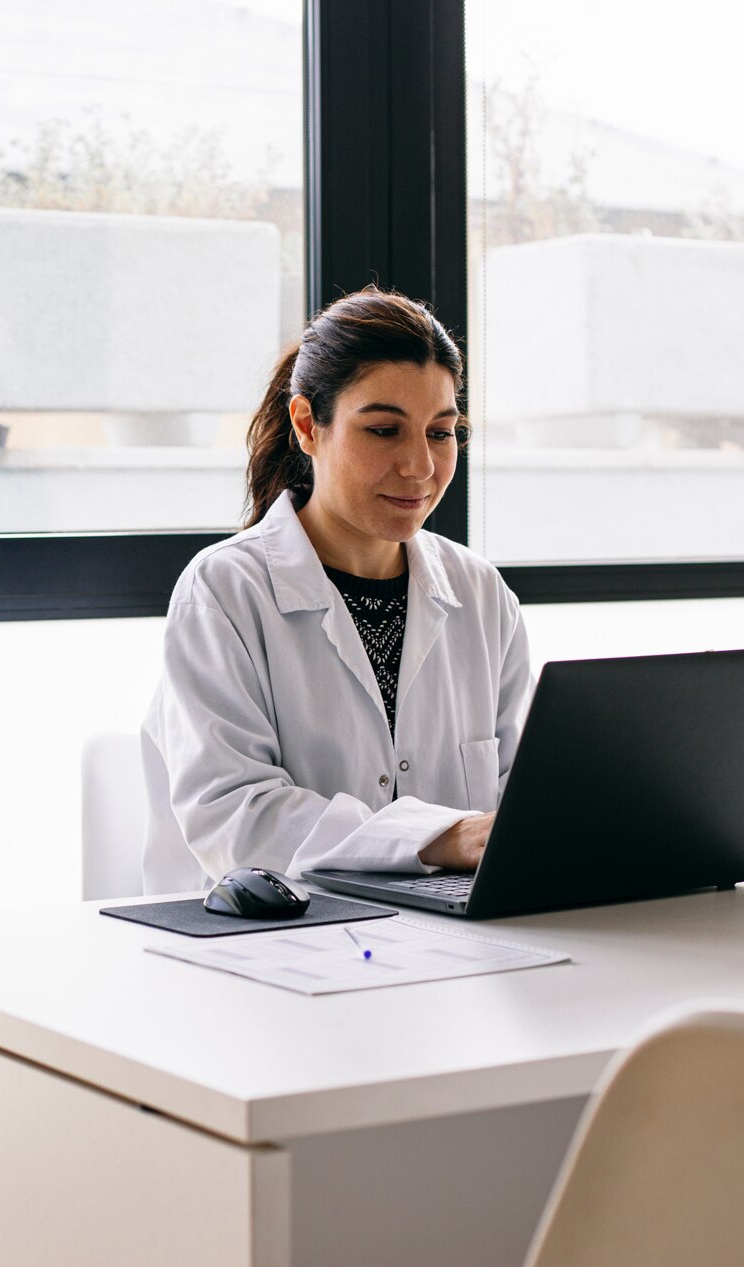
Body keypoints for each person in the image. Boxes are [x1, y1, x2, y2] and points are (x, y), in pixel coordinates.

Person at [140, 286, 533, 894]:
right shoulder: (226, 590)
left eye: (441, 432)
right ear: (307, 425)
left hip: (449, 941)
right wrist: (438, 838)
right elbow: (233, 816)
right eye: (383, 431)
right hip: (269, 943)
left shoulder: (480, 593)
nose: (420, 467)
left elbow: (527, 801)